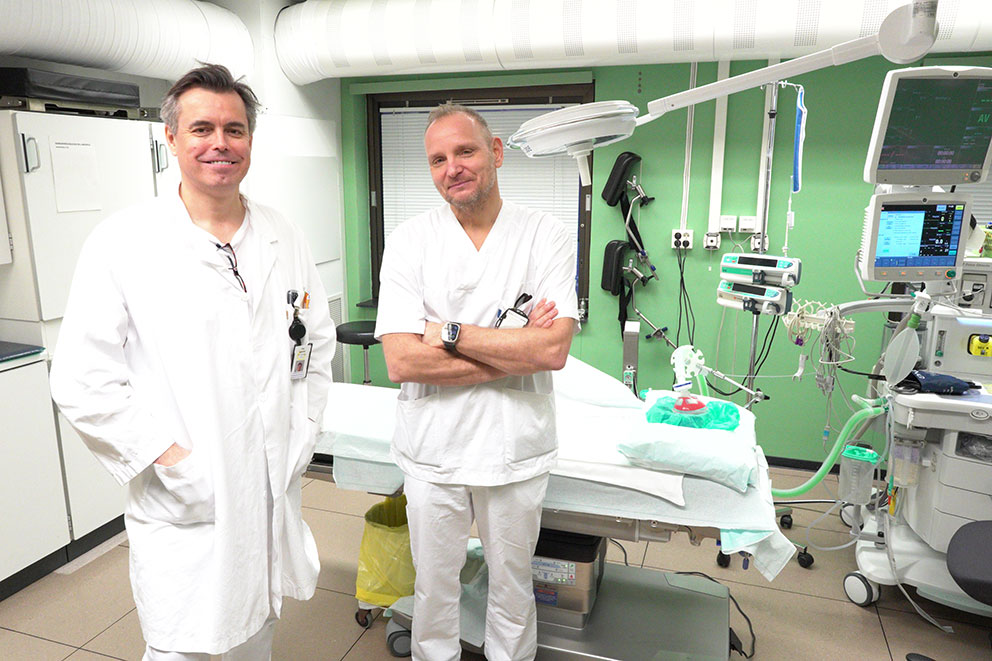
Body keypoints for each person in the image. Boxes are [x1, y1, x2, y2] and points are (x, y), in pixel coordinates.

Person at [49, 64, 336, 660]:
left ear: (250, 140)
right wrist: (171, 459)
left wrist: (303, 429)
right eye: (202, 128)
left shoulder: (282, 234)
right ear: (172, 138)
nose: (219, 144)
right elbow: (82, 380)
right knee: (185, 645)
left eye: (235, 129)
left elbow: (315, 344)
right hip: (190, 493)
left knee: (257, 633)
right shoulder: (125, 242)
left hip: (268, 487)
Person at [375, 104, 578, 661]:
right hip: (433, 447)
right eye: (437, 159)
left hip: (514, 445)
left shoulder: (545, 235)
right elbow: (402, 362)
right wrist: (515, 349)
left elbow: (553, 350)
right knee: (433, 587)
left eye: (464, 151)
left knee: (513, 585)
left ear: (496, 152)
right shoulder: (410, 240)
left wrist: (447, 333)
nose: (452, 168)